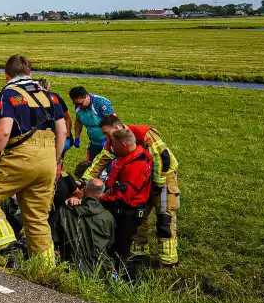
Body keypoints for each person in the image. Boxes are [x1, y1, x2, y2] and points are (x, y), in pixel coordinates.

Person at [0, 54, 68, 266]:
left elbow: (3, 131)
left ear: (6, 75)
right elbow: (62, 131)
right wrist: (55, 160)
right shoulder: (50, 96)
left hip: (21, 155)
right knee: (37, 217)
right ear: (29, 73)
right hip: (48, 159)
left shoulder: (7, 94)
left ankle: (7, 251)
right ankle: (45, 268)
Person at [83, 114, 182, 267]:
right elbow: (100, 161)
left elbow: (163, 159)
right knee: (139, 214)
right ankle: (138, 252)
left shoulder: (145, 134)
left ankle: (168, 261)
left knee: (164, 216)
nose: (105, 137)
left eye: (105, 133)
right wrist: (83, 181)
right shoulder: (115, 141)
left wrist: (157, 186)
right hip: (142, 179)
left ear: (117, 127)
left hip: (164, 176)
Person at [98, 128, 153, 270]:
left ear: (124, 146)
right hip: (126, 206)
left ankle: (123, 272)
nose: (112, 149)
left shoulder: (135, 166)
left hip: (129, 211)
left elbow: (124, 199)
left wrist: (100, 199)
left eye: (114, 146)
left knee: (121, 246)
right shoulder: (134, 154)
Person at [69, 86, 115, 161]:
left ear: (87, 96)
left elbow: (114, 123)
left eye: (80, 104)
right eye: (76, 104)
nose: (78, 107)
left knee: (109, 167)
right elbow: (78, 121)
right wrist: (77, 137)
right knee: (91, 165)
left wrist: (109, 141)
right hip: (94, 142)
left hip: (107, 142)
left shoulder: (101, 103)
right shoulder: (78, 105)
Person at [37, 78, 73, 156]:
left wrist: (67, 136)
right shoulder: (34, 99)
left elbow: (67, 117)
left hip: (56, 134)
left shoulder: (56, 98)